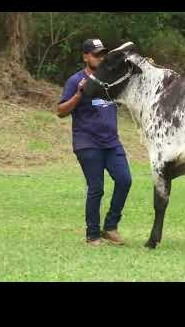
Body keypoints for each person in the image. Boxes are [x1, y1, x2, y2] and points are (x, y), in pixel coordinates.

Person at [57, 39, 132, 247]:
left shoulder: (109, 81)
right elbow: (61, 111)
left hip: (111, 142)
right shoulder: (75, 80)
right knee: (96, 188)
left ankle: (110, 227)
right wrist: (79, 94)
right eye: (95, 54)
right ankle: (92, 235)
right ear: (85, 57)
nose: (100, 58)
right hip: (87, 142)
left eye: (102, 54)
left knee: (125, 180)